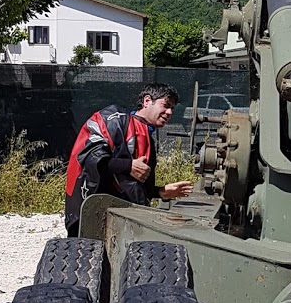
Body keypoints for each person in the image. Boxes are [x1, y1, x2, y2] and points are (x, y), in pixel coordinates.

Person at [64, 83, 194, 237]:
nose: (169, 112)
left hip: (122, 222)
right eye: (165, 105)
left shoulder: (148, 140)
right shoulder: (114, 119)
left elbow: (132, 188)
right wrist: (129, 166)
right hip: (90, 216)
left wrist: (161, 192)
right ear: (147, 101)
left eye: (172, 108)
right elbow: (91, 160)